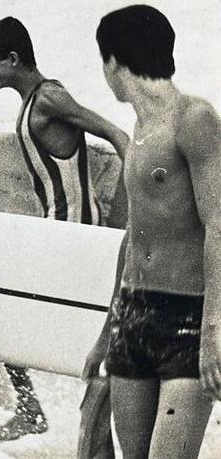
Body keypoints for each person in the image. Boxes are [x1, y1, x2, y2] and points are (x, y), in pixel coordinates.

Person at [0, 16, 130, 441]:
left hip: (72, 237)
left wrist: (116, 227)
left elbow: (119, 137)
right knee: (15, 312)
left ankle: (38, 413)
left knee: (7, 310)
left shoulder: (49, 98)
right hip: (57, 234)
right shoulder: (33, 103)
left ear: (12, 58)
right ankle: (49, 411)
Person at [82, 5, 221, 458]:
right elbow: (135, 235)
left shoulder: (194, 119)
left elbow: (218, 223)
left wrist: (214, 329)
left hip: (187, 318)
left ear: (114, 62)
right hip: (133, 318)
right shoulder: (139, 130)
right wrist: (107, 332)